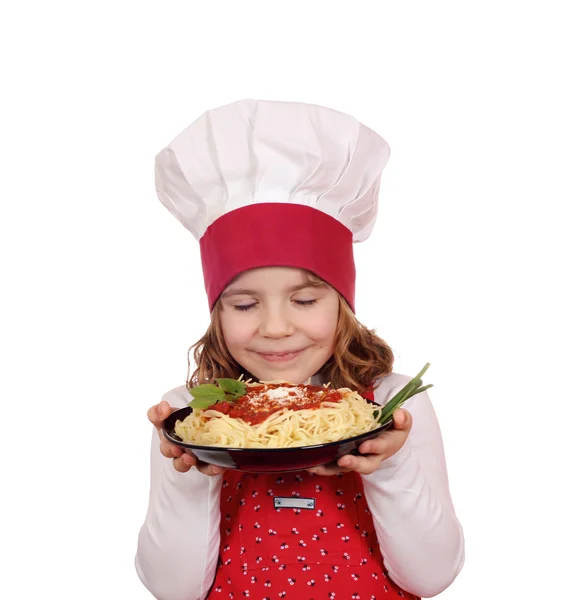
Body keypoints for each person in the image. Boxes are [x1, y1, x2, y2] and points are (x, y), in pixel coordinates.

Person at [135, 99, 465, 600]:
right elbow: (172, 590)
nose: (275, 327)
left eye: (305, 299)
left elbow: (432, 576)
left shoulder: (392, 404)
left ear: (343, 303)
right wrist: (189, 469)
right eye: (244, 304)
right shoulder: (193, 412)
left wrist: (389, 464)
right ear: (216, 315)